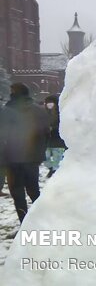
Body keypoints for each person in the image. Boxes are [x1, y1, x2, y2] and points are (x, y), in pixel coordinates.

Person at [4, 83, 50, 223]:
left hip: (12, 160)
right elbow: (46, 133)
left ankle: (24, 222)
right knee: (34, 191)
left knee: (18, 195)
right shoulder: (39, 111)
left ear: (13, 93)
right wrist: (39, 154)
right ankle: (41, 220)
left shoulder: (6, 111)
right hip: (31, 159)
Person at [43, 95, 67, 178]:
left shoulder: (61, 113)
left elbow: (64, 125)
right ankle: (51, 169)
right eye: (48, 103)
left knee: (57, 159)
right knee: (46, 158)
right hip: (47, 140)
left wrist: (53, 128)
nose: (49, 105)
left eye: (51, 103)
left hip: (58, 140)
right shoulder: (43, 113)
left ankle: (55, 172)